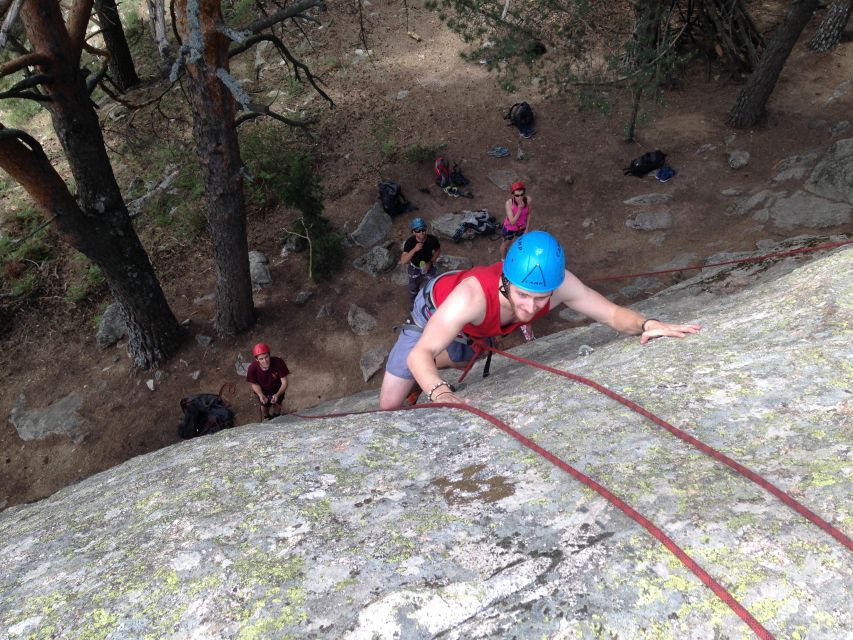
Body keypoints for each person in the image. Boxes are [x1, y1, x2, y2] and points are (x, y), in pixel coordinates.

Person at [379, 231, 701, 409]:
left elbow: (613, 314)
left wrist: (649, 324)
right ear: (505, 281)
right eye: (522, 295)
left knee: (463, 354)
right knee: (389, 405)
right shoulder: (471, 297)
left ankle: (431, 369)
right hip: (434, 310)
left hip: (471, 327)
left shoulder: (559, 284)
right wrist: (440, 392)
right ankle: (417, 382)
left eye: (541, 298)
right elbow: (418, 353)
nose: (532, 308)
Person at [401, 217, 441, 302]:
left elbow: (438, 250)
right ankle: (414, 301)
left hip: (427, 265)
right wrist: (414, 249)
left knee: (431, 284)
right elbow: (403, 261)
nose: (422, 232)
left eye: (423, 229)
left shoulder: (432, 239)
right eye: (418, 231)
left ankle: (428, 299)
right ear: (413, 232)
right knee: (413, 287)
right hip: (414, 266)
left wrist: (430, 263)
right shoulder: (410, 242)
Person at [246, 342, 290, 420]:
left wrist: (277, 394)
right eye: (261, 359)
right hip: (263, 392)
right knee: (264, 407)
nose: (265, 361)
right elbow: (254, 384)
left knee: (277, 405)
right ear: (256, 359)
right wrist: (261, 395)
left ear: (269, 355)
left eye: (266, 357)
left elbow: (284, 382)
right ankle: (267, 417)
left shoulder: (278, 362)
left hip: (277, 390)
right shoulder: (252, 368)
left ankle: (277, 416)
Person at [500, 181, 532, 260]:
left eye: (522, 194)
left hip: (522, 227)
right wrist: (520, 210)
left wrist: (527, 229)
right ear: (513, 195)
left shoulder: (528, 200)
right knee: (506, 244)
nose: (520, 197)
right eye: (517, 195)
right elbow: (512, 222)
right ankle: (503, 259)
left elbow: (529, 214)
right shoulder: (509, 203)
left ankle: (518, 257)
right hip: (510, 228)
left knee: (521, 242)